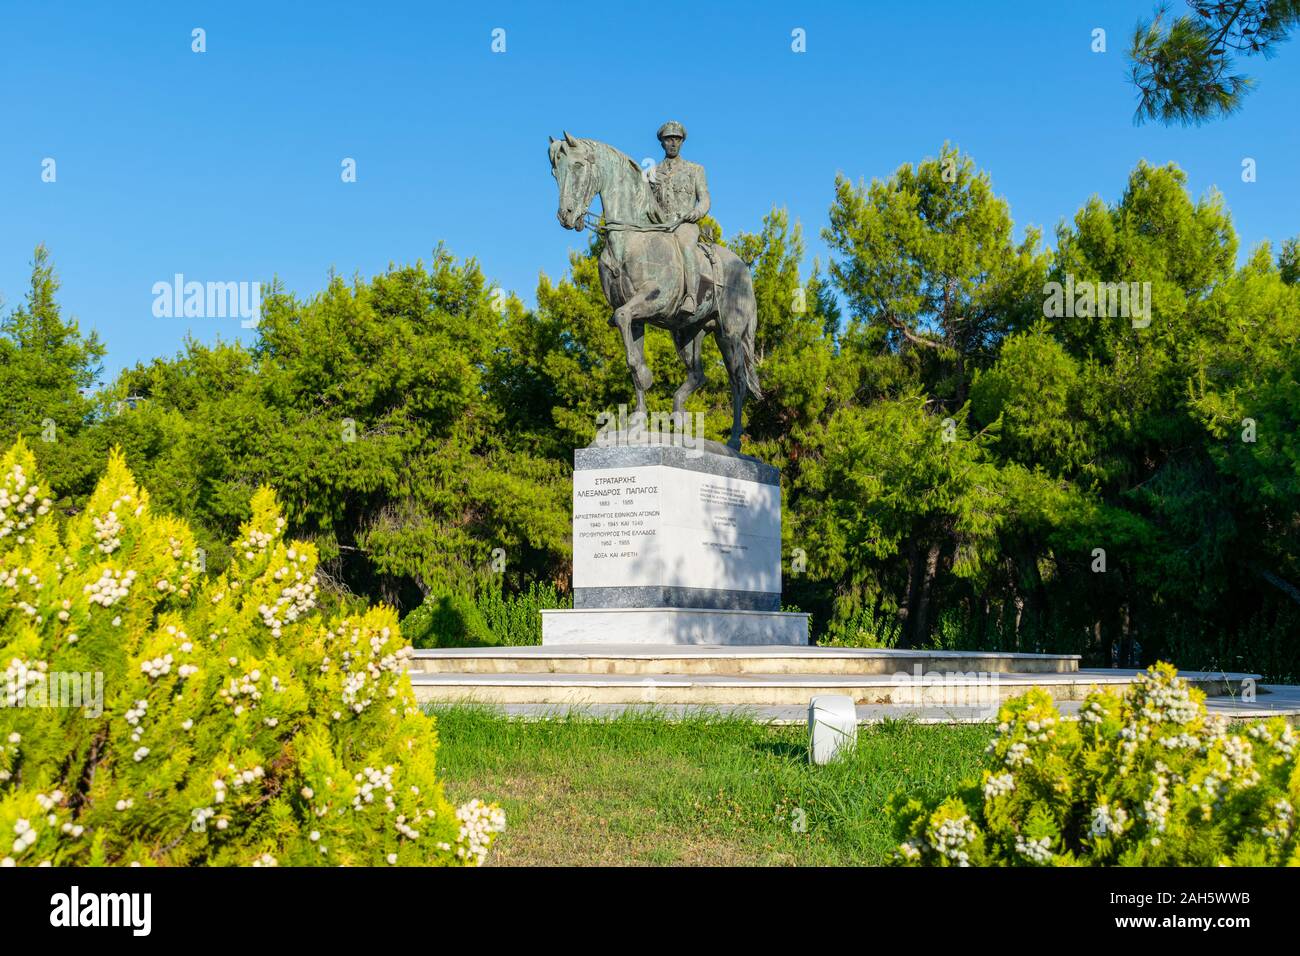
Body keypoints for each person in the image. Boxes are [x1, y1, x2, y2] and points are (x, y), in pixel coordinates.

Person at [650, 121, 709, 314]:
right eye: (669, 139)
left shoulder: (695, 170)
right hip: (659, 226)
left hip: (684, 225)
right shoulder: (651, 173)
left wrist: (696, 213)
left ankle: (691, 296)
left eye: (677, 139)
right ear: (662, 143)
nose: (673, 143)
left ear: (682, 142)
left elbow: (705, 200)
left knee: (685, 246)